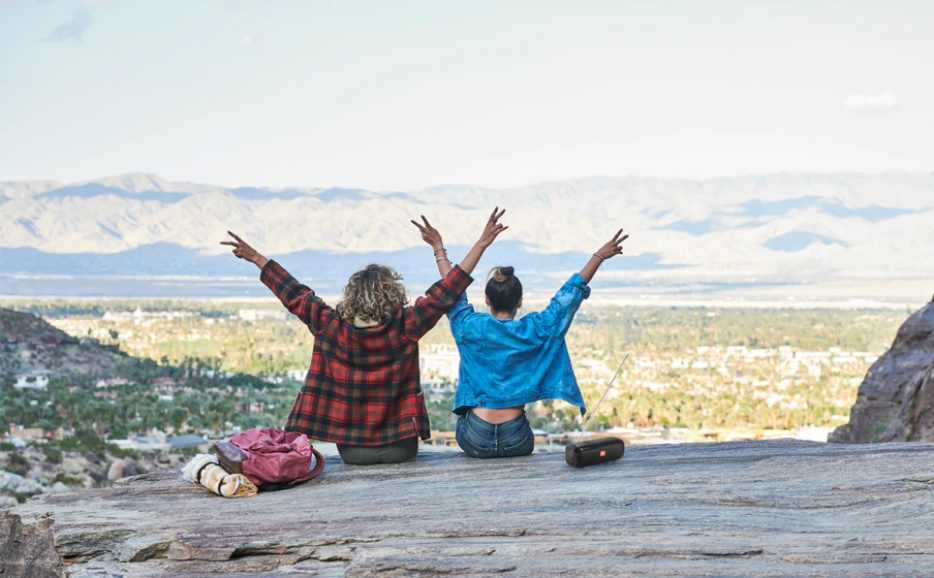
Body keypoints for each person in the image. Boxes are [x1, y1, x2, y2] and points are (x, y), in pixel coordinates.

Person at [221, 208, 507, 465]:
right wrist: (470, 244)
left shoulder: (330, 326)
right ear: (392, 293)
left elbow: (294, 293)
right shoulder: (407, 326)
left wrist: (257, 258)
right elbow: (449, 289)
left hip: (352, 452)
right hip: (400, 448)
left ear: (353, 295)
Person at [424, 228, 628, 458]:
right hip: (517, 437)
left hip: (474, 438)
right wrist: (598, 256)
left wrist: (438, 249)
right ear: (520, 301)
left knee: (464, 415)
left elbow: (452, 292)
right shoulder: (538, 329)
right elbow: (568, 296)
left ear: (487, 300)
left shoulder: (469, 326)